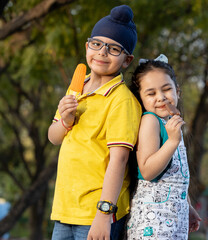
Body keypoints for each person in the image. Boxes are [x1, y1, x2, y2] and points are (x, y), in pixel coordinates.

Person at [48, 5, 142, 240]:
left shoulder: (122, 100)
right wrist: (65, 121)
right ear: (87, 46)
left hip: (97, 213)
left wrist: (104, 214)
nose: (102, 52)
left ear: (126, 60)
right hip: (65, 208)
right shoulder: (76, 87)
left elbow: (119, 159)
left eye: (113, 49)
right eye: (96, 44)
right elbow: (53, 137)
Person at [126, 54, 202, 239]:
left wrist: (188, 206)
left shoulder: (171, 123)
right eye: (151, 93)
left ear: (178, 91)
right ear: (140, 98)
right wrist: (172, 141)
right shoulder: (150, 121)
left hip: (175, 219)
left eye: (167, 90)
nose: (160, 98)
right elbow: (147, 170)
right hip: (152, 223)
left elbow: (179, 175)